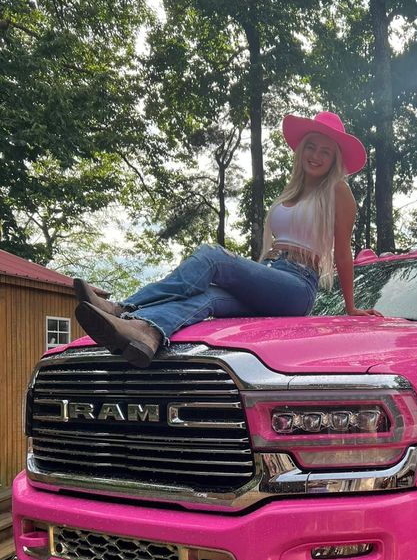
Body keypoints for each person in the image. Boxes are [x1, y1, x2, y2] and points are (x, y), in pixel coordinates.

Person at [74, 111, 381, 368]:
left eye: (325, 151)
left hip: (297, 286)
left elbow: (343, 251)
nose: (316, 156)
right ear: (302, 150)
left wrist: (350, 307)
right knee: (207, 297)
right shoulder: (291, 192)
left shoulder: (338, 191)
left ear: (333, 159)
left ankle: (126, 306)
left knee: (212, 256)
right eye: (312, 147)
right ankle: (147, 332)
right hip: (272, 274)